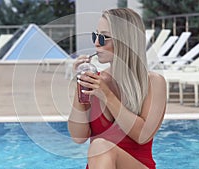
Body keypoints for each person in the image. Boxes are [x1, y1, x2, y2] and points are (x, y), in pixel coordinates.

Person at [68, 8, 166, 169]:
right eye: (95, 35)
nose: (96, 43)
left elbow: (142, 136)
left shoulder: (154, 83)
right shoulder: (96, 80)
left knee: (100, 147)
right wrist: (80, 86)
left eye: (103, 37)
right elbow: (78, 137)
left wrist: (106, 95)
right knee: (99, 147)